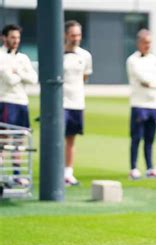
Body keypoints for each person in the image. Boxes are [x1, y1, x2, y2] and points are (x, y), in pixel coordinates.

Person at [126, 29, 156, 180]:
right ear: (139, 43)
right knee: (136, 137)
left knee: (150, 138)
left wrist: (153, 83)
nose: (147, 45)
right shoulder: (133, 60)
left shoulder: (155, 60)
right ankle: (133, 168)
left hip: (154, 105)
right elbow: (142, 78)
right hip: (139, 104)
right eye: (145, 42)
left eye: (149, 42)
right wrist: (153, 80)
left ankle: (150, 167)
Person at [0, 24, 38, 186]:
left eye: (18, 38)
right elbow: (10, 79)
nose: (16, 41)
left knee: (19, 140)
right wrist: (19, 75)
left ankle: (17, 174)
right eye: (12, 37)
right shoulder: (1, 56)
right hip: (5, 101)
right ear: (4, 38)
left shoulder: (23, 58)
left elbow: (33, 79)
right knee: (3, 139)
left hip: (22, 102)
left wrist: (18, 72)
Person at [63, 20, 93, 186]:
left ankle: (68, 173)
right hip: (61, 103)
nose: (76, 38)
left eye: (78, 35)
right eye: (73, 35)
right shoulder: (58, 54)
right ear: (66, 35)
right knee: (58, 139)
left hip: (77, 103)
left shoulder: (85, 56)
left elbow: (84, 77)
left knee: (71, 139)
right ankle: (56, 171)